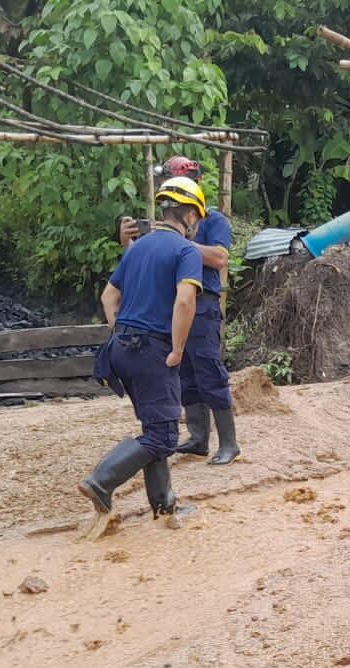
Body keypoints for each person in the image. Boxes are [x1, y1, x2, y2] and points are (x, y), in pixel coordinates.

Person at [78, 175, 207, 539]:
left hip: (121, 348)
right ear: (190, 215)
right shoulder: (185, 252)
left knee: (156, 427)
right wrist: (177, 349)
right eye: (198, 217)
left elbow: (108, 297)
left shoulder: (136, 248)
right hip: (152, 349)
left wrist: (121, 332)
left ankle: (165, 507)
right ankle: (101, 481)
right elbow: (185, 301)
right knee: (163, 436)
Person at [120, 155, 239, 465]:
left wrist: (176, 242)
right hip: (173, 306)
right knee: (183, 373)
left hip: (201, 304)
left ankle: (229, 443)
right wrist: (131, 243)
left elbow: (220, 258)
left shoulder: (212, 220)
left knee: (209, 370)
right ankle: (199, 438)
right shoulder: (164, 229)